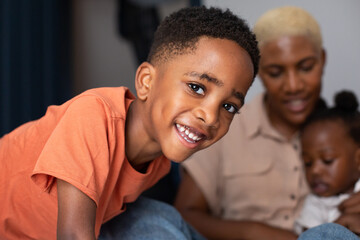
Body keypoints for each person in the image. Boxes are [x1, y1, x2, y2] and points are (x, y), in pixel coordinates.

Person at [0, 6, 260, 239]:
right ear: (146, 82)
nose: (211, 116)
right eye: (196, 87)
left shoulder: (158, 160)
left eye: (229, 106)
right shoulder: (94, 115)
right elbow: (73, 235)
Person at [175, 6, 326, 239]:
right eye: (276, 72)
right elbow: (185, 213)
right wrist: (253, 232)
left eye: (305, 68)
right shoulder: (222, 125)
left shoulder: (345, 130)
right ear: (258, 73)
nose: (294, 86)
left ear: (322, 60)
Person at [294, 90, 360, 234]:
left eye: (327, 161)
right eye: (308, 163)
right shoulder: (315, 206)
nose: (315, 171)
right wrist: (339, 226)